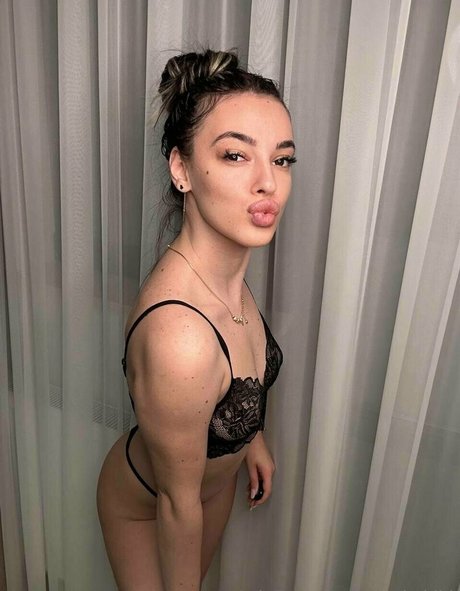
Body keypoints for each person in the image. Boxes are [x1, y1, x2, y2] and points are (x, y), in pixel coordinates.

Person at [96, 48, 296, 591]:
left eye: (282, 160)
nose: (268, 183)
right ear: (181, 169)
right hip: (152, 504)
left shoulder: (224, 272)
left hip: (212, 487)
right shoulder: (180, 336)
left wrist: (250, 440)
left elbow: (240, 368)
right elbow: (175, 503)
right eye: (236, 155)